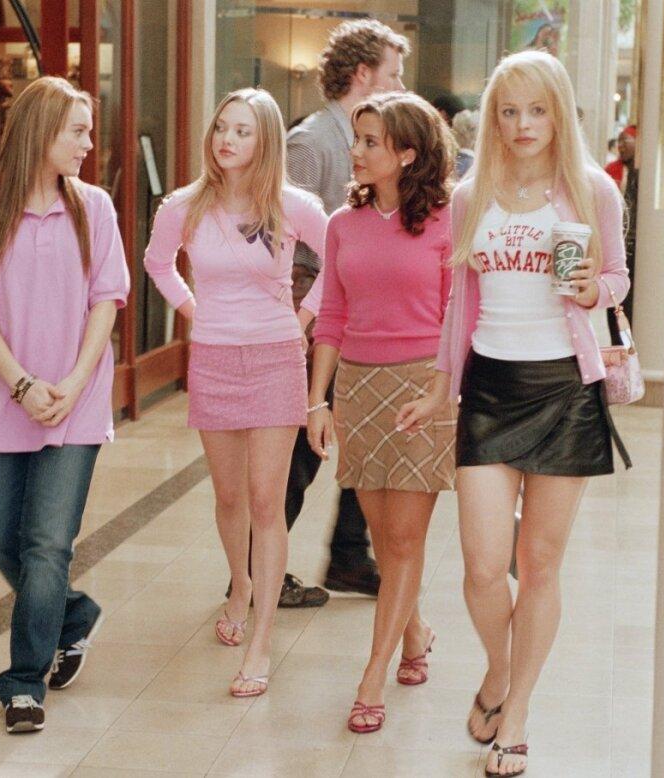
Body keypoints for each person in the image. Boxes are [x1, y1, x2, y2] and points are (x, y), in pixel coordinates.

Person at [396, 50, 631, 777]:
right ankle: (498, 670)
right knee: (481, 566)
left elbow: (617, 277)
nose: (524, 124)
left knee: (540, 564)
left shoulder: (592, 190)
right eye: (509, 110)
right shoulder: (472, 196)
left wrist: (593, 289)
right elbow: (458, 303)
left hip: (565, 391)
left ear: (558, 113)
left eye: (537, 109)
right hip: (490, 389)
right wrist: (441, 386)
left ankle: (517, 712)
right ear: (493, 118)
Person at [0, 77, 130, 734]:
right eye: (77, 131)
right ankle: (71, 615)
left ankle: (24, 682)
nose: (87, 144)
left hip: (76, 401)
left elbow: (107, 300)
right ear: (40, 132)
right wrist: (23, 384)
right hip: (4, 398)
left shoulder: (94, 207)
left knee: (47, 544)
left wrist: (73, 384)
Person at [144, 88, 328, 698]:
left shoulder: (295, 206)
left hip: (276, 359)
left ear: (265, 139)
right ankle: (240, 585)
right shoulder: (184, 206)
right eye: (222, 127)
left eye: (242, 131)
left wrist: (303, 319)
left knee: (266, 502)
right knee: (229, 497)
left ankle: (262, 640)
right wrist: (193, 311)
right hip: (214, 359)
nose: (227, 139)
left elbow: (341, 262)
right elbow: (157, 263)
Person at [304, 92, 455, 734]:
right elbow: (332, 317)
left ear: (408, 154)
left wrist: (443, 393)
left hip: (424, 387)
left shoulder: (448, 221)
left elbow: (457, 317)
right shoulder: (343, 223)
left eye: (371, 141)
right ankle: (414, 631)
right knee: (382, 535)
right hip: (359, 390)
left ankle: (372, 675)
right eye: (357, 138)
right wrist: (318, 400)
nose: (356, 151)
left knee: (404, 540)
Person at [283, 18, 410, 602]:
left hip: (355, 317)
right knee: (301, 450)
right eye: (394, 75)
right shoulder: (310, 144)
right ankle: (257, 569)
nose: (401, 86)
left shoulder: (368, 140)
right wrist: (300, 326)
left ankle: (349, 557)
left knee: (365, 436)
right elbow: (283, 241)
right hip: (315, 319)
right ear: (363, 75)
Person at [604, 125, 638, 345]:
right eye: (620, 141)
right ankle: (621, 346)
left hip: (638, 246)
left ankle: (629, 346)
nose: (621, 146)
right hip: (619, 243)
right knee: (616, 304)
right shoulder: (610, 171)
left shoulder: (644, 173)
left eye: (626, 140)